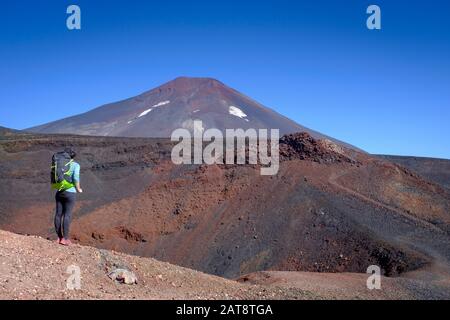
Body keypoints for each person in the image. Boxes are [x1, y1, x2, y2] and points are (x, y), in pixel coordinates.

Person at [54, 148, 82, 246]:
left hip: (59, 191)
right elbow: (76, 178)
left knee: (58, 214)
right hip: (70, 192)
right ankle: (65, 239)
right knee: (67, 215)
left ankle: (59, 237)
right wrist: (79, 189)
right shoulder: (75, 165)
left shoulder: (59, 163)